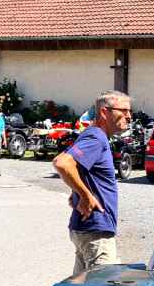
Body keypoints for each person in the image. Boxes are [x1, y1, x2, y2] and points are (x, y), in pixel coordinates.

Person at [53, 90, 132, 275]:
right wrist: (84, 195)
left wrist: (77, 191)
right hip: (96, 232)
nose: (129, 116)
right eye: (124, 110)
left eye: (130, 111)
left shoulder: (92, 135)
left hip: (87, 229)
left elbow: (71, 165)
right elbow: (62, 163)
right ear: (104, 112)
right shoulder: (96, 137)